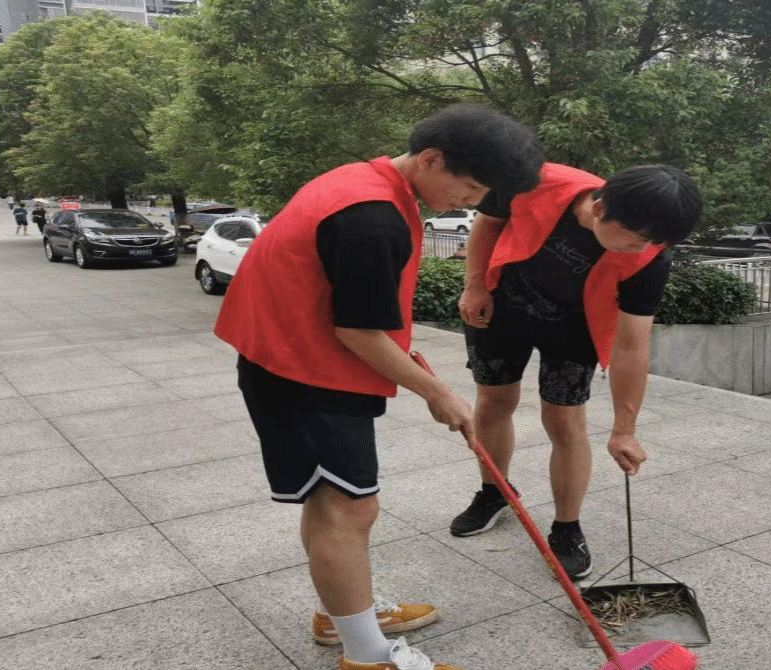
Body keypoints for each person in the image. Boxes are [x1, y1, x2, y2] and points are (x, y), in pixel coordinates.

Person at [214, 103, 542, 670]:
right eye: (469, 188)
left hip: (293, 356)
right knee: (349, 509)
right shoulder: (371, 216)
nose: (471, 203)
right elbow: (357, 331)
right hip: (303, 372)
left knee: (332, 503)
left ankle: (340, 612)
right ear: (431, 158)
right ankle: (368, 656)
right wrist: (436, 392)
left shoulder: (362, 179)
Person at [451, 163, 702, 580]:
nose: (645, 248)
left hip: (574, 326)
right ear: (600, 209)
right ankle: (495, 491)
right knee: (494, 402)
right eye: (639, 238)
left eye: (656, 241)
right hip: (501, 305)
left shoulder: (652, 255)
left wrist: (624, 429)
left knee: (564, 422)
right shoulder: (533, 180)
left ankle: (566, 527)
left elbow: (632, 344)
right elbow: (488, 222)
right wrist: (474, 285)